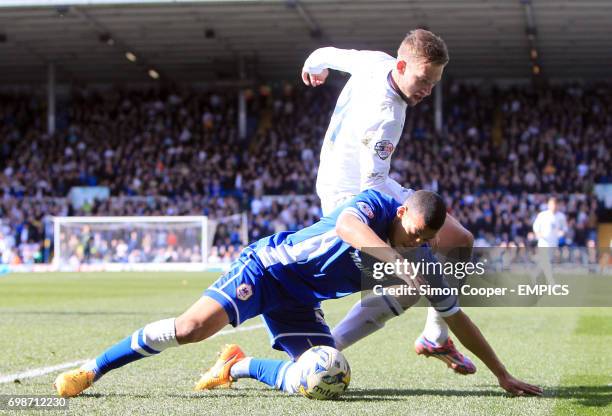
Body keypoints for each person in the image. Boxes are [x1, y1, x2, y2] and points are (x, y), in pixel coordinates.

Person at [53, 190, 541, 398]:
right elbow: (348, 227)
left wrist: (502, 374)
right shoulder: (373, 205)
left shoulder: (424, 259)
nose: (416, 244)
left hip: (300, 300)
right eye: (412, 233)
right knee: (190, 329)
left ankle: (236, 367)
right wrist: (396, 262)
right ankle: (94, 368)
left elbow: (457, 319)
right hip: (266, 268)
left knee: (320, 379)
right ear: (401, 215)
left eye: (423, 241)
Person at [301, 28, 475, 373]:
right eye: (423, 80)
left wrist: (313, 66)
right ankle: (322, 354)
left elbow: (326, 53)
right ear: (400, 67)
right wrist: (421, 211)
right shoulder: (387, 115)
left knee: (459, 240)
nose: (427, 90)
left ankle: (435, 337)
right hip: (350, 199)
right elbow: (374, 184)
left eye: (434, 83)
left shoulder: (373, 62)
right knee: (414, 279)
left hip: (341, 182)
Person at [532, 197, 568, 284]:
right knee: (546, 262)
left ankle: (535, 276)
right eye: (552, 204)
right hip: (544, 242)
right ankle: (551, 282)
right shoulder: (543, 215)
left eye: (555, 204)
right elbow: (535, 227)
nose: (554, 206)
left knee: (545, 262)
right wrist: (539, 234)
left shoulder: (561, 216)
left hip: (553, 243)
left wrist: (562, 232)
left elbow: (565, 228)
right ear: (548, 205)